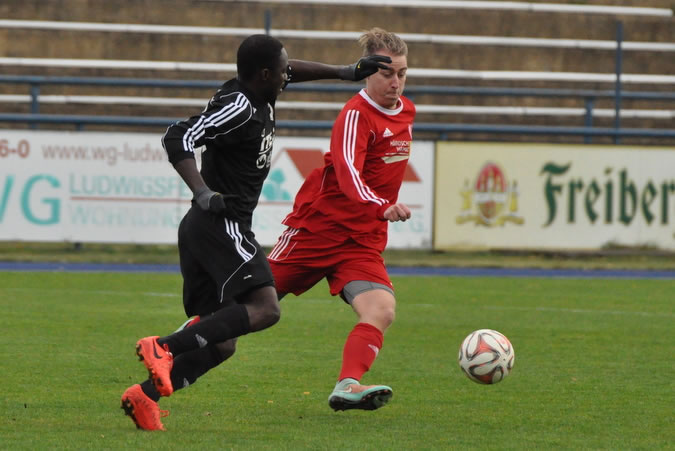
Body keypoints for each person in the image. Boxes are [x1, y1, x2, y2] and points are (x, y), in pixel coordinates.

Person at [120, 33, 391, 431]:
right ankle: (164, 346)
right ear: (265, 74)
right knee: (266, 309)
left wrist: (344, 73)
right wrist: (203, 192)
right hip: (220, 224)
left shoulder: (260, 90)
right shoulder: (239, 107)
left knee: (223, 342)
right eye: (282, 70)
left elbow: (293, 70)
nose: (288, 75)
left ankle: (144, 397)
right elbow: (177, 135)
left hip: (206, 228)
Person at [268, 28, 414, 411]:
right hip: (319, 230)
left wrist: (377, 212)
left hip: (361, 241)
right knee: (251, 307)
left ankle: (348, 385)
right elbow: (349, 173)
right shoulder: (355, 115)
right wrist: (380, 206)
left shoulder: (407, 112)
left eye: (401, 73)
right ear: (368, 72)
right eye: (387, 73)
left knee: (381, 310)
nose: (395, 82)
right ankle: (173, 346)